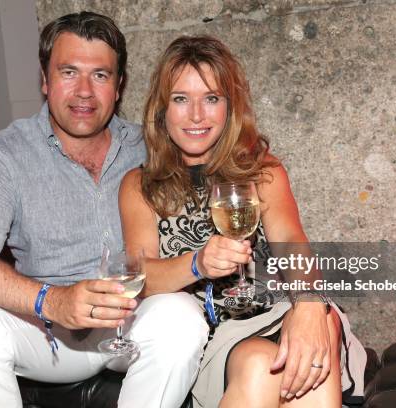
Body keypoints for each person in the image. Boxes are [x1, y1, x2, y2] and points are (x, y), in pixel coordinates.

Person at [0, 12, 208, 408]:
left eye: (100, 75)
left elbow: (225, 157)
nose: (84, 91)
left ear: (119, 87)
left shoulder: (150, 145)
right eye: (68, 72)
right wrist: (53, 300)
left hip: (134, 321)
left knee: (179, 315)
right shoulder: (7, 153)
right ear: (45, 81)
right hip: (48, 333)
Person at [119, 36, 366, 407]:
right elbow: (143, 279)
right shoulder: (139, 186)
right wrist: (197, 263)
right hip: (220, 334)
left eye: (212, 98)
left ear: (230, 108)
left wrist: (311, 305)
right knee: (259, 366)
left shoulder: (263, 171)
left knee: (319, 324)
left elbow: (293, 246)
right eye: (181, 99)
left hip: (283, 307)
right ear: (162, 109)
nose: (197, 115)